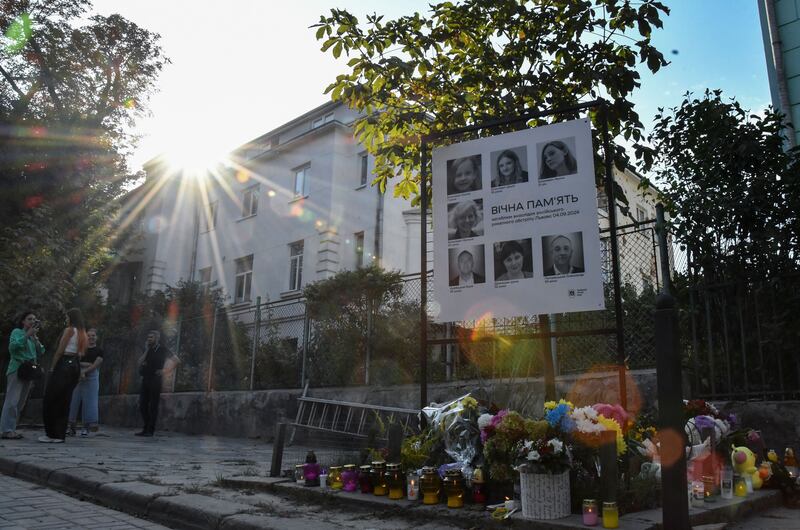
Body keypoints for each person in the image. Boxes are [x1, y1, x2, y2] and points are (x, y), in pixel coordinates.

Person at [39, 308, 87, 443]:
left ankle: (51, 434)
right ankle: (59, 435)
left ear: (71, 318)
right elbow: (81, 353)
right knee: (65, 401)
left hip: (64, 364)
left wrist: (53, 367)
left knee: (51, 398)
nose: (66, 320)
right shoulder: (83, 333)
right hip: (75, 365)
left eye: (67, 317)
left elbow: (60, 350)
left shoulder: (70, 330)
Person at [1, 310, 44, 440]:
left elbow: (41, 351)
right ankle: (6, 430)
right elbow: (13, 347)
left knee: (20, 402)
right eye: (30, 319)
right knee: (12, 401)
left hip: (29, 371)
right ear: (23, 321)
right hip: (17, 369)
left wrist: (34, 338)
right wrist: (26, 336)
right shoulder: (17, 332)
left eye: (34, 319)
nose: (32, 321)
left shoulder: (33, 336)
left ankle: (11, 429)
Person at [136, 330, 179, 437]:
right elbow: (139, 362)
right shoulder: (147, 350)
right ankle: (145, 428)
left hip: (155, 380)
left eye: (151, 337)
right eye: (148, 337)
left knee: (153, 406)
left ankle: (150, 430)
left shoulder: (163, 349)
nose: (149, 339)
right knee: (142, 405)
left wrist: (165, 371)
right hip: (145, 379)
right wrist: (146, 350)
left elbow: (177, 360)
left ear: (157, 338)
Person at [67, 328, 104, 436]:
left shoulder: (99, 350)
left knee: (89, 401)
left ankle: (86, 427)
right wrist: (80, 371)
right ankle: (71, 427)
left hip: (92, 376)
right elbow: (76, 361)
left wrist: (85, 371)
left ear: (96, 337)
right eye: (89, 335)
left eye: (93, 335)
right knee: (74, 400)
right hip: (78, 375)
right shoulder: (81, 349)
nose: (91, 337)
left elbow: (96, 364)